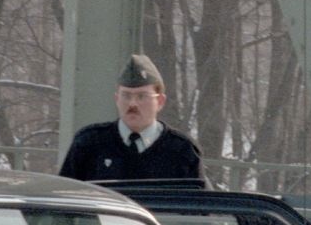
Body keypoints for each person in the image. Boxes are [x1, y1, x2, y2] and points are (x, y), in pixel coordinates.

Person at [58, 53, 204, 182]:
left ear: (160, 102)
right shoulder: (89, 143)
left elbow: (199, 208)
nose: (132, 104)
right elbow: (64, 200)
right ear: (116, 99)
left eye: (142, 96)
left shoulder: (182, 151)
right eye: (126, 96)